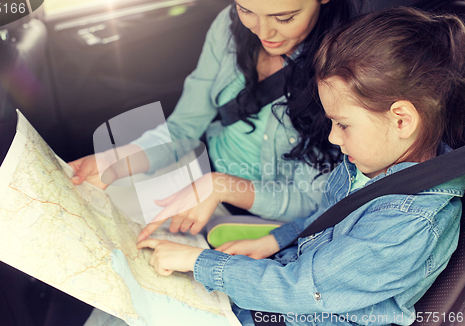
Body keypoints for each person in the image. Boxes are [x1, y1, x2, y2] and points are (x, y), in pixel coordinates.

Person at [134, 7, 465, 325]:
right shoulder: (367, 168)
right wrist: (276, 240)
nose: (333, 138)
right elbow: (325, 219)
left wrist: (199, 262)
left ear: (402, 120)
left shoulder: (408, 224)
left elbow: (301, 290)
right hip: (285, 287)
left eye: (343, 125)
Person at [69, 0, 362, 244]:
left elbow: (310, 203)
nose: (263, 31)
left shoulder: (349, 63)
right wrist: (118, 159)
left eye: (284, 17)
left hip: (263, 220)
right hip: (197, 174)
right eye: (246, 10)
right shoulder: (228, 26)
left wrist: (222, 187)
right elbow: (183, 127)